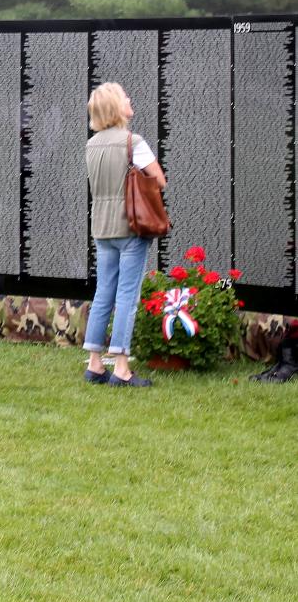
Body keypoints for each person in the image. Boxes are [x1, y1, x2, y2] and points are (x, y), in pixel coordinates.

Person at [83, 82, 166, 387]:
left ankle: (94, 364)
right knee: (127, 297)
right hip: (132, 226)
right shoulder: (134, 142)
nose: (130, 99)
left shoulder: (91, 145)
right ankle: (121, 368)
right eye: (125, 97)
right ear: (117, 108)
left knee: (103, 293)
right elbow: (159, 179)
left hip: (102, 227)